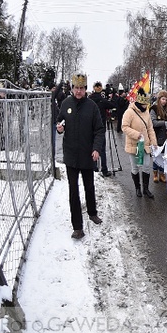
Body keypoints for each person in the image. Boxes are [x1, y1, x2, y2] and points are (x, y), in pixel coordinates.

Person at [56, 73, 104, 239]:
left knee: (89, 186)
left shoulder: (92, 106)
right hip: (70, 154)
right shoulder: (65, 103)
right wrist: (59, 128)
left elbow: (99, 129)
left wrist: (97, 148)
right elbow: (60, 121)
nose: (78, 91)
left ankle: (92, 212)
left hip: (87, 154)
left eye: (81, 88)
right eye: (76, 88)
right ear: (72, 88)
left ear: (85, 89)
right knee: (73, 190)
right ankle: (77, 227)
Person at [121, 88, 157, 199]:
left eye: (146, 104)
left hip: (145, 145)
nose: (145, 106)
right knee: (135, 168)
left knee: (146, 166)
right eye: (143, 104)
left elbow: (150, 128)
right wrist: (136, 134)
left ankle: (146, 189)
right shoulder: (129, 112)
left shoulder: (146, 112)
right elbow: (124, 127)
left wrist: (153, 142)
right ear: (139, 102)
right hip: (134, 145)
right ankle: (137, 187)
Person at [88, 81, 114, 177]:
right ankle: (104, 169)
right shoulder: (102, 100)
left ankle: (94, 168)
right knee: (102, 149)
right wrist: (111, 95)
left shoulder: (89, 99)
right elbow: (113, 105)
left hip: (91, 127)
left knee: (93, 147)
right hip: (101, 127)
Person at [150, 89, 167, 183]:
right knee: (157, 155)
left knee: (164, 155)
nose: (164, 101)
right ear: (159, 99)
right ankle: (155, 173)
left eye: (166, 100)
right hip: (156, 135)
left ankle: (162, 173)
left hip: (165, 136)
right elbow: (153, 122)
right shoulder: (154, 108)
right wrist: (164, 122)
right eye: (163, 99)